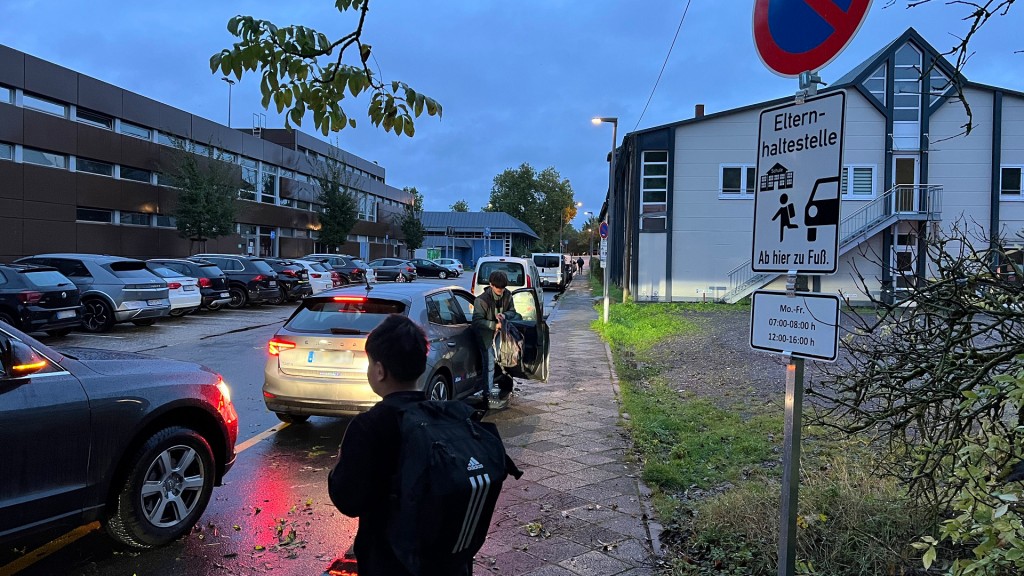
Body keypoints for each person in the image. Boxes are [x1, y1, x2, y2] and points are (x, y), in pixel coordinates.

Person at [328, 314, 467, 575]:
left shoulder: (369, 426)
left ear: (379, 371)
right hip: (446, 561)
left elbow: (348, 500)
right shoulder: (446, 415)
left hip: (390, 563)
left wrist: (338, 466)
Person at [473, 270, 520, 408]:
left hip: (503, 336)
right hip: (486, 336)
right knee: (489, 364)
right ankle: (486, 394)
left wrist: (505, 315)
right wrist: (494, 325)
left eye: (503, 288)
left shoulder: (507, 295)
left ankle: (505, 387)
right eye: (497, 288)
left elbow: (514, 312)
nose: (500, 290)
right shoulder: (481, 300)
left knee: (507, 360)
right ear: (491, 285)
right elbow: (477, 321)